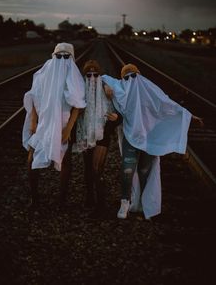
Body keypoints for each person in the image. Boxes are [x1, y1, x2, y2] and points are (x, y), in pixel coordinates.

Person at [102, 63, 203, 219]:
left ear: (140, 76)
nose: (132, 80)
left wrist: (189, 116)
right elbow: (102, 77)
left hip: (149, 137)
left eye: (134, 76)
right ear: (123, 80)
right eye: (127, 77)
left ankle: (142, 203)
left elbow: (167, 104)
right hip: (130, 136)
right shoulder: (121, 88)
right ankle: (125, 203)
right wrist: (106, 86)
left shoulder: (150, 89)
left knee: (144, 170)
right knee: (127, 169)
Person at [22, 43, 86, 206]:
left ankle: (62, 199)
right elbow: (34, 96)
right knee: (31, 159)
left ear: (70, 58)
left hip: (63, 124)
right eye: (59, 56)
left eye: (66, 57)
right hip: (43, 122)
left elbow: (78, 106)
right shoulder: (43, 73)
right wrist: (34, 121)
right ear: (53, 56)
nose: (62, 60)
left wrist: (69, 129)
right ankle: (34, 198)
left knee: (65, 161)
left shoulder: (73, 74)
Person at [74, 60, 122, 214]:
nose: (93, 78)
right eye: (89, 75)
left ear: (99, 75)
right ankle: (89, 198)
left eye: (96, 74)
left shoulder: (106, 90)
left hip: (103, 135)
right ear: (85, 76)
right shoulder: (80, 92)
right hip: (86, 134)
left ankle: (101, 204)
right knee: (87, 168)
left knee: (97, 168)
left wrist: (117, 118)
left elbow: (119, 113)